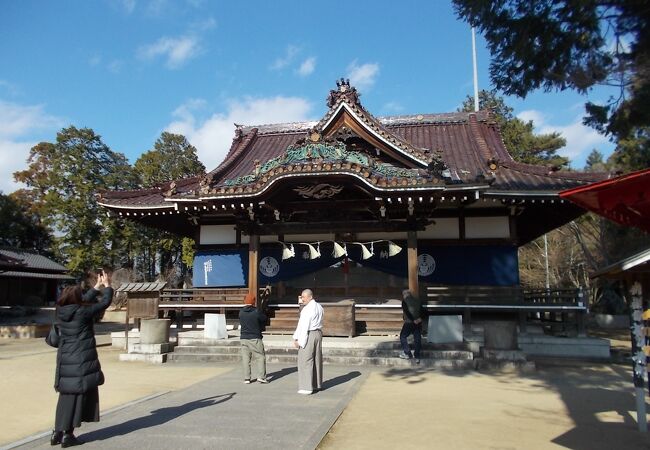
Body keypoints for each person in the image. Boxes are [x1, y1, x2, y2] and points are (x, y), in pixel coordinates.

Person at [50, 271, 113, 447]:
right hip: (81, 358)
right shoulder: (82, 312)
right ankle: (68, 436)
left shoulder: (62, 311)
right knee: (78, 396)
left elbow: (82, 298)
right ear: (77, 298)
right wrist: (107, 286)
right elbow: (104, 303)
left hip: (65, 359)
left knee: (65, 396)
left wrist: (96, 287)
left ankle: (58, 432)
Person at [292, 289, 324, 395]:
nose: (302, 299)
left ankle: (306, 387)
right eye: (301, 297)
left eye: (304, 297)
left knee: (305, 360)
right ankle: (316, 384)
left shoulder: (307, 309)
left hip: (309, 334)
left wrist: (299, 340)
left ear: (310, 297)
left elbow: (303, 327)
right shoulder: (319, 307)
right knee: (316, 359)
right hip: (318, 334)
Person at [239, 293, 268, 384]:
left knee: (246, 358)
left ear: (245, 301)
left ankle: (247, 378)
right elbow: (264, 318)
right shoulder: (256, 311)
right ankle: (261, 377)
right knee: (260, 357)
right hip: (254, 337)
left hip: (243, 338)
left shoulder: (241, 312)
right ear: (253, 301)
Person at [399, 289, 423, 363]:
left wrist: (413, 320)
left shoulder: (404, 302)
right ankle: (417, 356)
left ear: (405, 295)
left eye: (403, 295)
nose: (403, 296)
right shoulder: (418, 300)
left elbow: (407, 312)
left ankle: (407, 353)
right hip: (418, 322)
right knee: (417, 339)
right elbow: (423, 311)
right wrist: (420, 318)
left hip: (409, 322)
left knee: (403, 336)